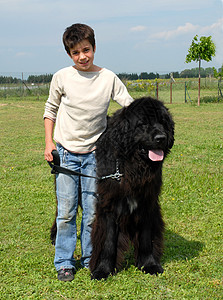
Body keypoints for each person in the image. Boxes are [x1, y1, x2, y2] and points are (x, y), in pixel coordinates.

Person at [44, 23, 133, 282]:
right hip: (66, 154)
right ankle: (64, 262)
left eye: (86, 50)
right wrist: (49, 144)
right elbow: (50, 111)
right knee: (66, 212)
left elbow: (129, 107)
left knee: (94, 212)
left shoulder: (108, 78)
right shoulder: (61, 77)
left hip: (96, 156)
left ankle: (89, 258)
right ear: (69, 54)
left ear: (94, 48)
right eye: (75, 52)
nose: (82, 56)